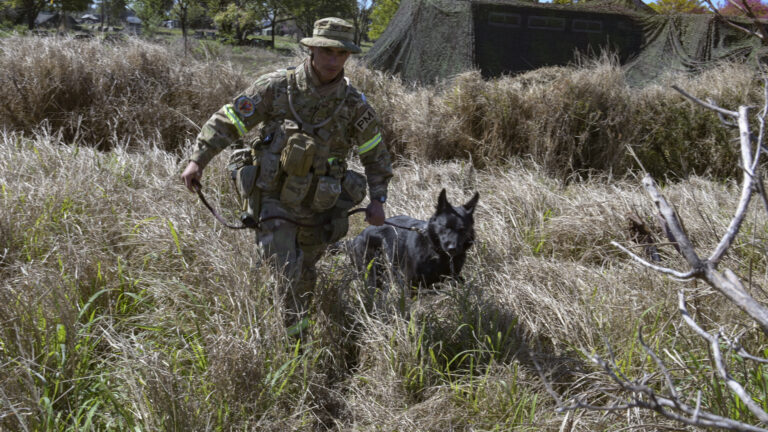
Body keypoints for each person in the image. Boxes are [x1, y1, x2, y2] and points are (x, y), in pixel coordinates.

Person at [180, 17, 393, 334]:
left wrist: (378, 199)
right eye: (327, 51)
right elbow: (232, 119)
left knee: (304, 271)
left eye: (341, 53)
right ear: (311, 49)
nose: (334, 60)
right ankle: (278, 336)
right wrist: (199, 159)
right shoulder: (277, 87)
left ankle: (291, 334)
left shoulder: (354, 106)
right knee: (284, 266)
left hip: (319, 204)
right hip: (273, 195)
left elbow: (375, 155)